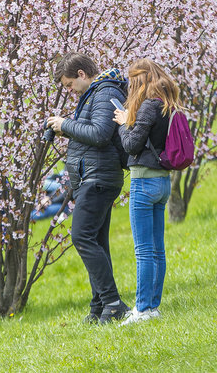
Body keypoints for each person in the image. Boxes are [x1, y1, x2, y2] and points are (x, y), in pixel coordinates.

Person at [46, 52, 129, 324]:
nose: (69, 90)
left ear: (82, 74)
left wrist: (66, 125)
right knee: (97, 242)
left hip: (98, 178)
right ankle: (99, 307)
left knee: (81, 236)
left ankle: (114, 303)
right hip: (92, 178)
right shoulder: (93, 94)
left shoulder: (104, 92)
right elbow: (93, 128)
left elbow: (101, 134)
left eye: (69, 84)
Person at [112, 59, 180, 325]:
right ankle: (153, 306)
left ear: (139, 80)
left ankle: (142, 309)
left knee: (143, 250)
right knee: (157, 249)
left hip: (144, 182)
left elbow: (130, 145)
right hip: (163, 182)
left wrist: (122, 121)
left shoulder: (149, 106)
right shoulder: (168, 104)